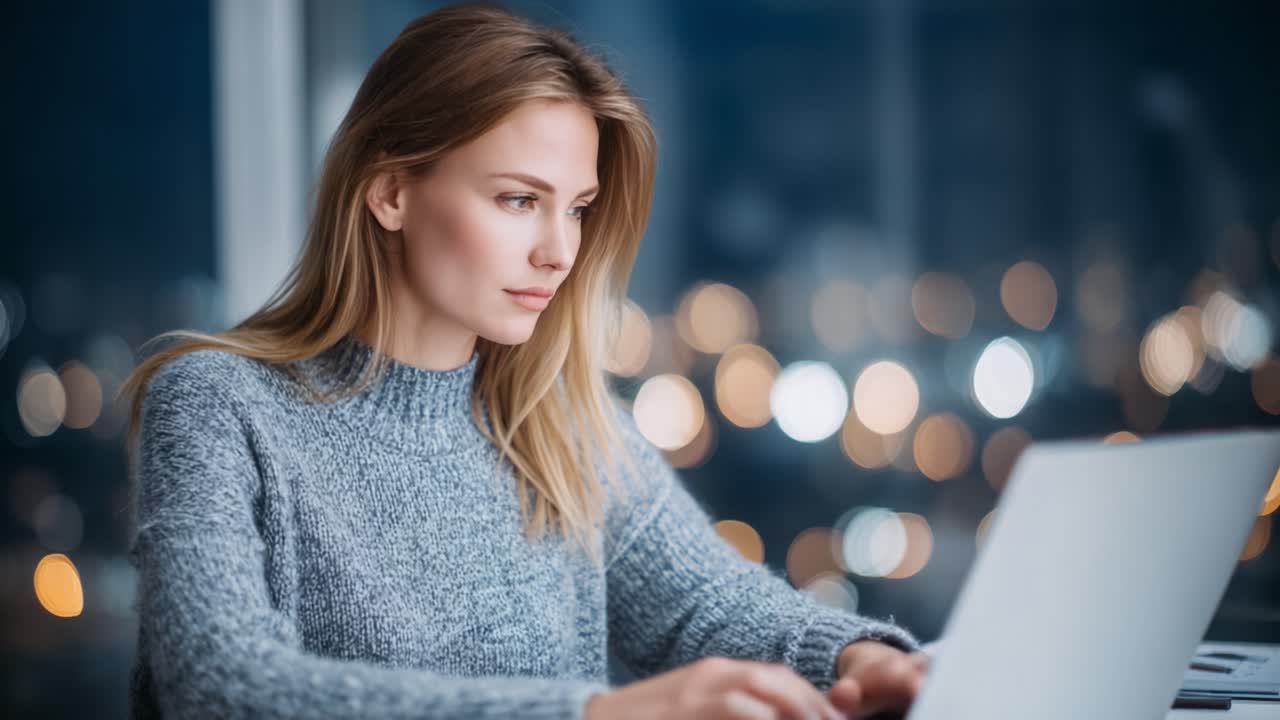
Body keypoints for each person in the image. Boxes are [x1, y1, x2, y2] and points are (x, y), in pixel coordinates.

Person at [121, 3, 928, 718]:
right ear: (391, 192)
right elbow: (224, 687)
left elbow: (712, 608)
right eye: (518, 199)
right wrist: (596, 715)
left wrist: (860, 659)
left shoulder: (559, 423)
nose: (559, 251)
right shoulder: (218, 404)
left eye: (576, 209)